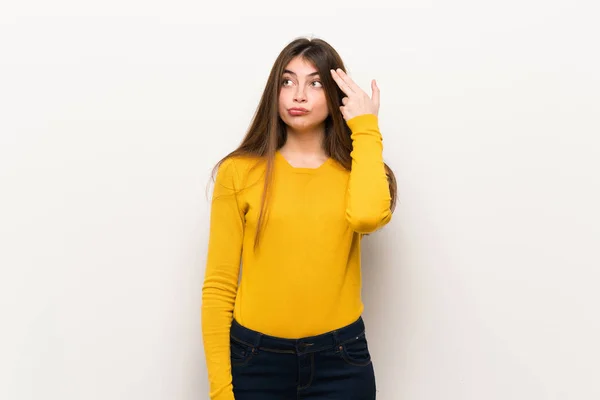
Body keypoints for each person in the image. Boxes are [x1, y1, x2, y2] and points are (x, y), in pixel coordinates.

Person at [201, 36, 398, 400]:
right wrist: (220, 391)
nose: (299, 96)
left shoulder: (358, 171)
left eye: (316, 83)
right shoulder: (238, 172)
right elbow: (218, 288)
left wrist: (366, 127)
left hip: (341, 361)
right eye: (287, 81)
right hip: (255, 360)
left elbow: (368, 218)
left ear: (338, 94)